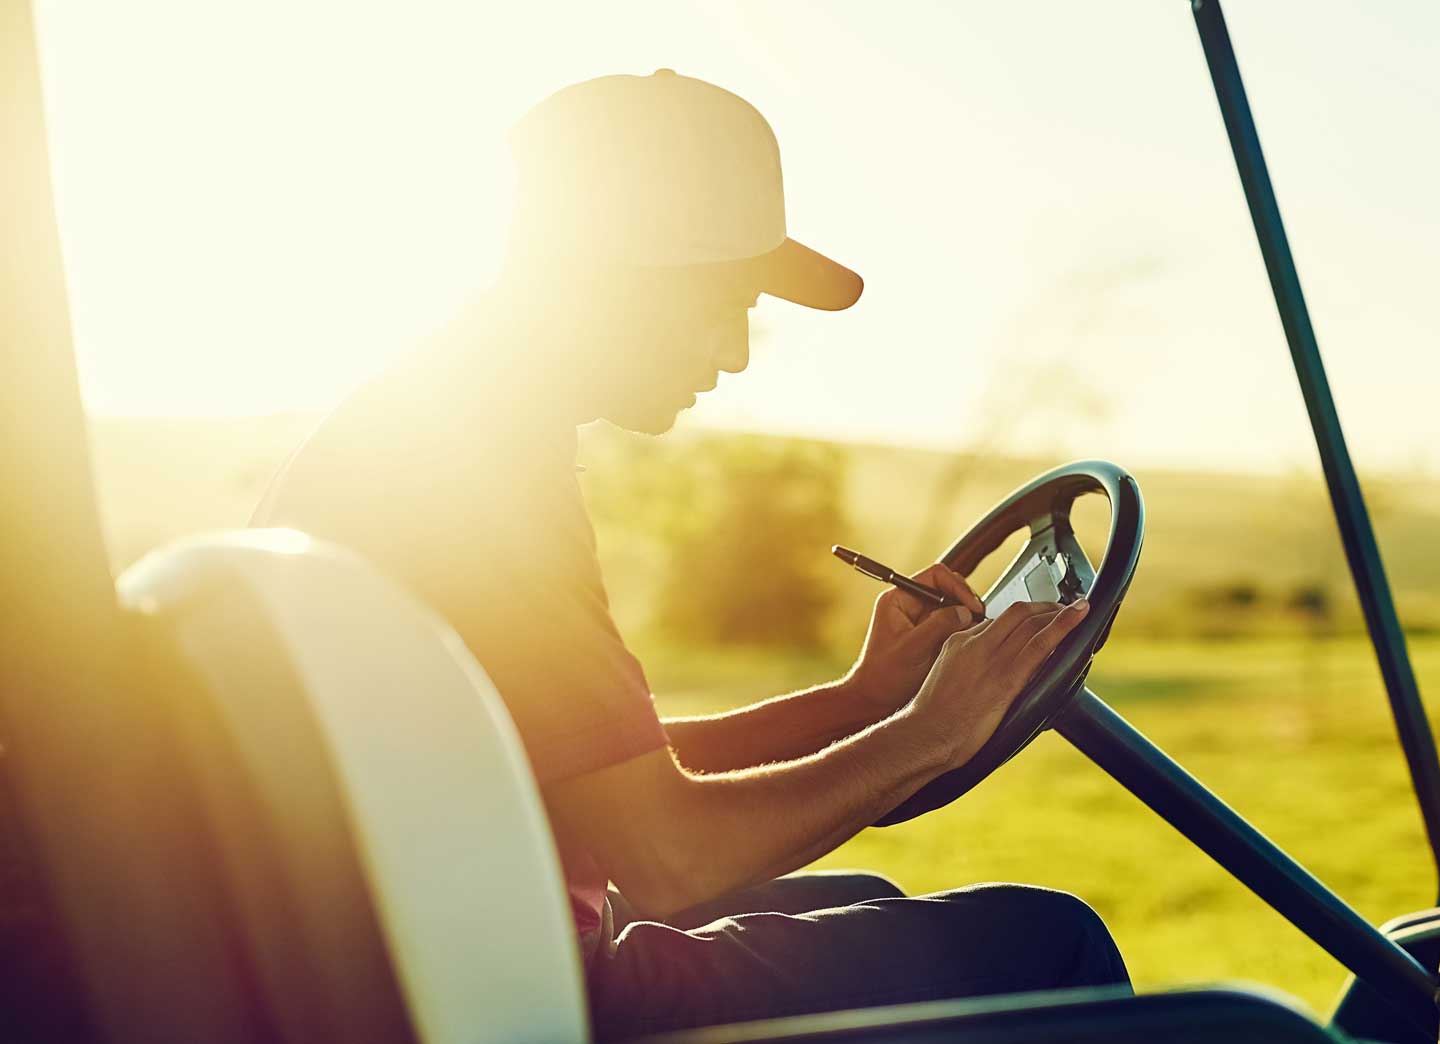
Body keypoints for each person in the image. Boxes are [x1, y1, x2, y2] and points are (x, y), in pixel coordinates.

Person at [251, 70, 1128, 1039]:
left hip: (456, 945)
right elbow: (663, 853)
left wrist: (860, 703)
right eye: (730, 298)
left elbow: (597, 782)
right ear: (624, 270)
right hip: (517, 994)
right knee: (1048, 947)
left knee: (869, 893)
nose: (739, 350)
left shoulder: (440, 419)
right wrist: (929, 735)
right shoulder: (477, 473)